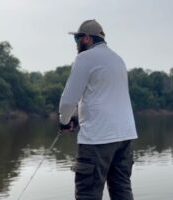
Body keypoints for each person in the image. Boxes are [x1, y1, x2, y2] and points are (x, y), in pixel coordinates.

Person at [59, 19, 138, 200]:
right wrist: (77, 117)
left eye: (76, 39)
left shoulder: (85, 58)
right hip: (125, 137)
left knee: (88, 194)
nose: (76, 44)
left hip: (97, 139)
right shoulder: (118, 59)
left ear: (87, 38)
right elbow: (101, 98)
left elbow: (68, 100)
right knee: (122, 191)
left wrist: (64, 121)